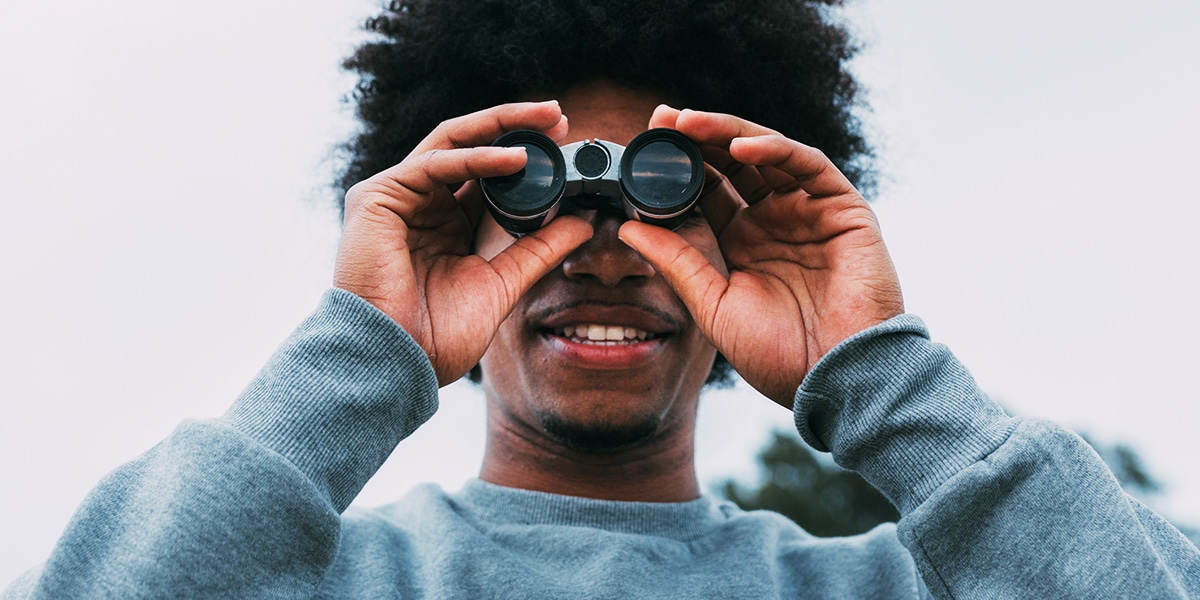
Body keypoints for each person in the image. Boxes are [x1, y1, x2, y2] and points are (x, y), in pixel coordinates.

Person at [5, 1, 1199, 598]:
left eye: (669, 195)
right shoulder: (317, 579)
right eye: (535, 190)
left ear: (753, 237)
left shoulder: (889, 585)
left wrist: (878, 366)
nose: (605, 245)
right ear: (441, 222)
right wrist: (360, 352)